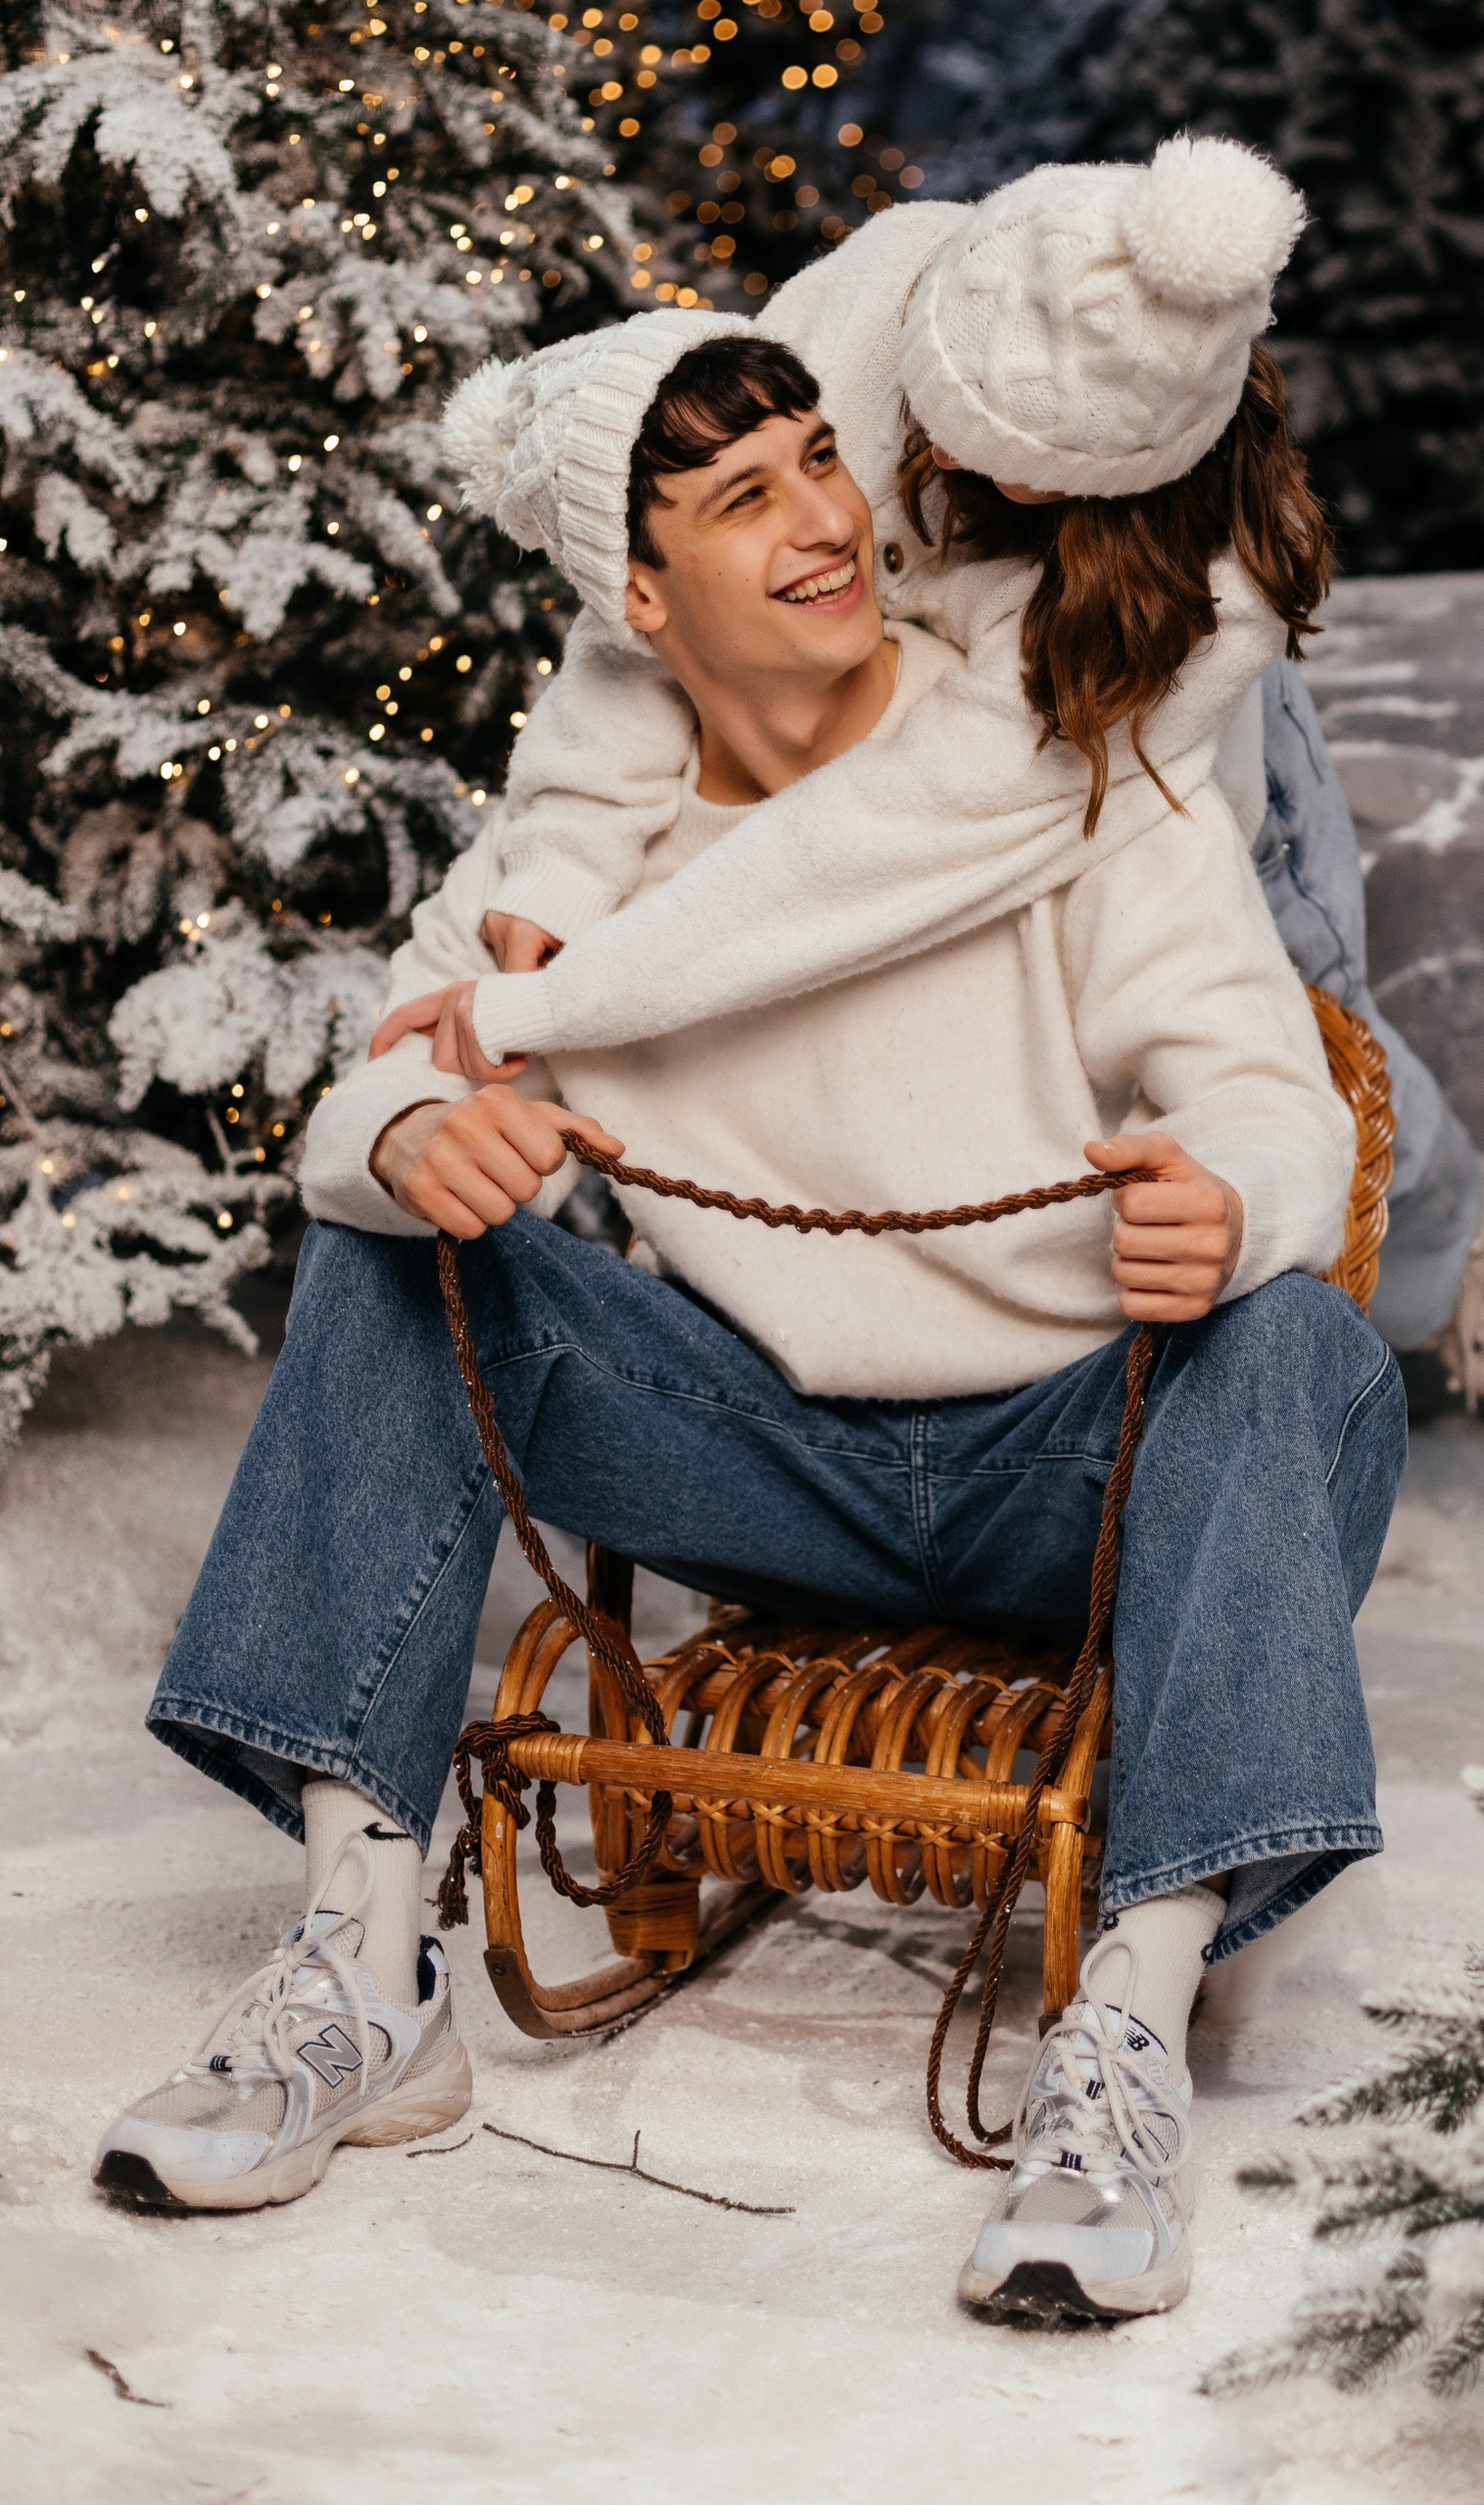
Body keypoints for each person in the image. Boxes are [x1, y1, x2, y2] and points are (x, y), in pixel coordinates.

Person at [96, 313, 1409, 2331]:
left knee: (1302, 1339)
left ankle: (1117, 2044)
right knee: (393, 1239)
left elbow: (1268, 1094)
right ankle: (370, 1966)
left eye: (818, 456)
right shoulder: (583, 870)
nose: (822, 516)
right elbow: (376, 1078)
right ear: (640, 592)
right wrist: (418, 1133)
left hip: (1075, 1449)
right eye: (741, 495)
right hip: (761, 1444)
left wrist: (1229, 1198)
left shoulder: (1062, 758)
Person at [392, 144, 1484, 1409]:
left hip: (1121, 726)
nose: (1000, 492)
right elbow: (643, 602)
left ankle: (1450, 1249)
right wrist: (567, 857)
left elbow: (896, 839)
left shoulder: (1209, 597)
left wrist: (550, 1011)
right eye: (973, 446)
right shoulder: (867, 300)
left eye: (1051, 481)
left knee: (1313, 1047)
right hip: (898, 706)